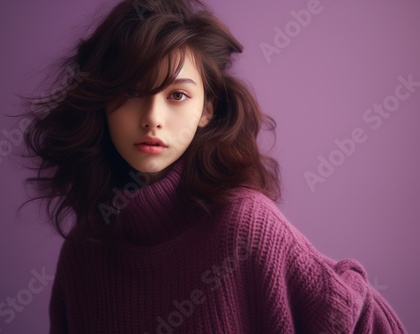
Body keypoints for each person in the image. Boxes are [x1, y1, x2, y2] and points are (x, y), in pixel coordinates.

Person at [21, 0, 406, 332]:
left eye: (177, 95)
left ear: (207, 109)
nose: (152, 117)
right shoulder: (83, 251)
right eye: (130, 92)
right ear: (102, 103)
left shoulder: (246, 225)